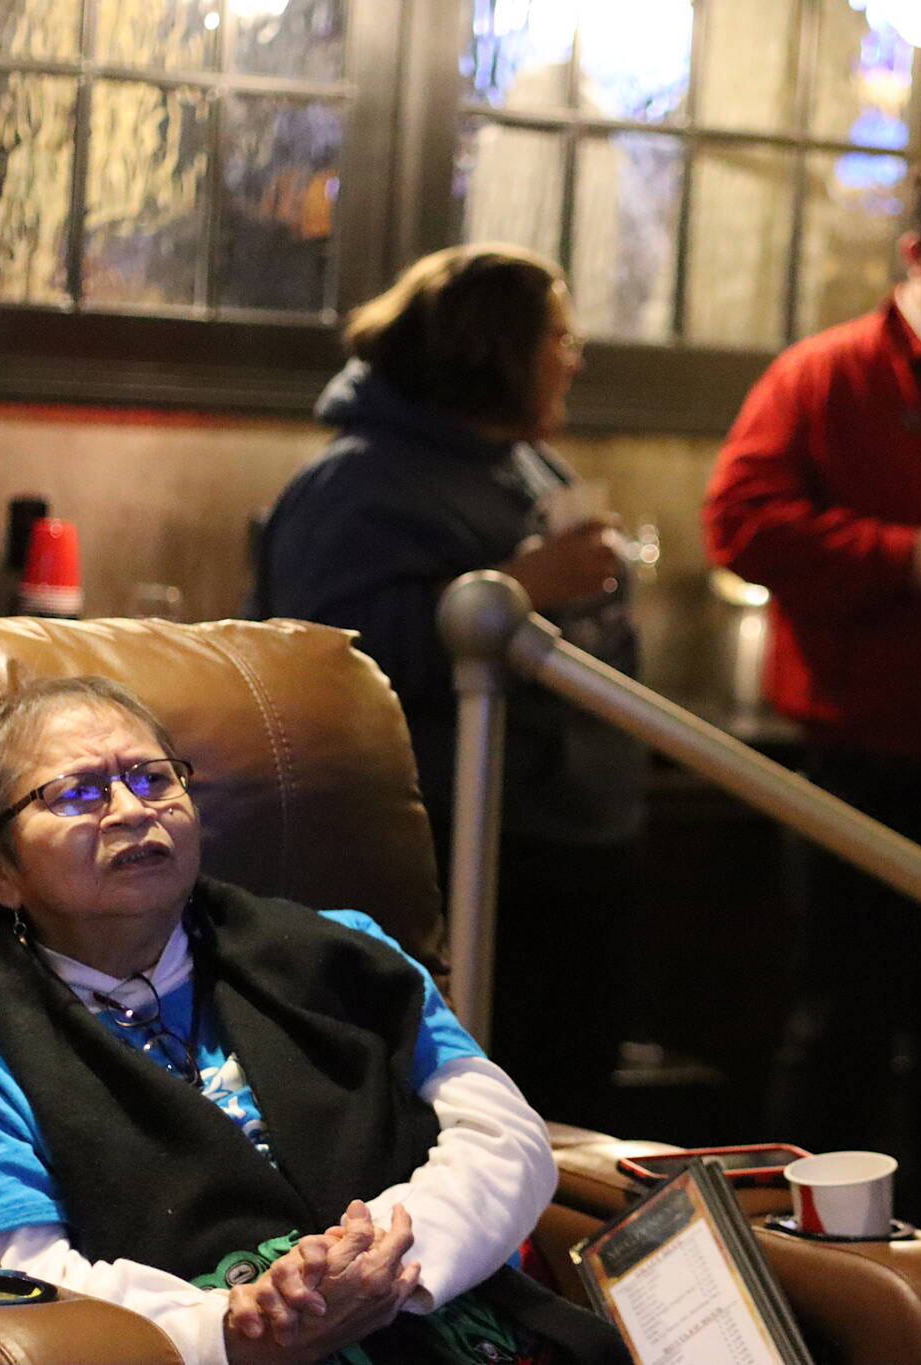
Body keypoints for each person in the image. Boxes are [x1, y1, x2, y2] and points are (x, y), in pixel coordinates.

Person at [0, 676, 628, 1365]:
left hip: (454, 1327)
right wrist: (240, 1329)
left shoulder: (342, 951)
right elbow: (25, 1288)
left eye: (152, 778)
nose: (135, 808)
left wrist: (384, 1261)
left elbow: (507, 1137)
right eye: (77, 793)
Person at [702, 147, 921, 1242]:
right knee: (839, 1034)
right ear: (920, 250)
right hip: (862, 770)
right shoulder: (829, 374)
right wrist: (898, 556)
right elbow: (740, 522)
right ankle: (801, 1264)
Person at [250, 245, 647, 1125]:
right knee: (472, 1108)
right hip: (457, 853)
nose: (576, 357)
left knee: (571, 1100)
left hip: (568, 835)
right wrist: (524, 586)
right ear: (496, 349)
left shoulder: (526, 465)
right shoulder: (353, 485)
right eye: (559, 335)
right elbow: (318, 664)